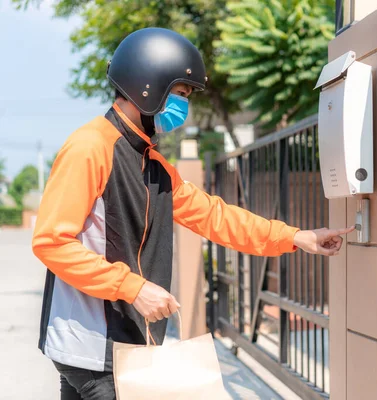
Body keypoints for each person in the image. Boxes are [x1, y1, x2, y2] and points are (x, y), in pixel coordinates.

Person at [32, 27, 353, 400]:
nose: (183, 107)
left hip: (118, 345)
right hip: (92, 345)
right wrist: (132, 287)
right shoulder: (90, 147)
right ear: (146, 84)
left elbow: (214, 216)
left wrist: (296, 236)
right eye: (180, 94)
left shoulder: (151, 162)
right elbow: (52, 243)